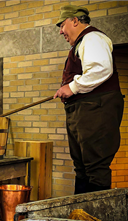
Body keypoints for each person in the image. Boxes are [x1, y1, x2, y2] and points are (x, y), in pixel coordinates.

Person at [53, 5, 124, 194]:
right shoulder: (81, 43)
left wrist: (72, 87)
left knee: (95, 168)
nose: (61, 32)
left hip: (96, 110)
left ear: (75, 21)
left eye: (62, 25)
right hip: (85, 111)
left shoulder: (93, 38)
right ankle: (81, 216)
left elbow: (101, 69)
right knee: (82, 167)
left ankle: (94, 220)